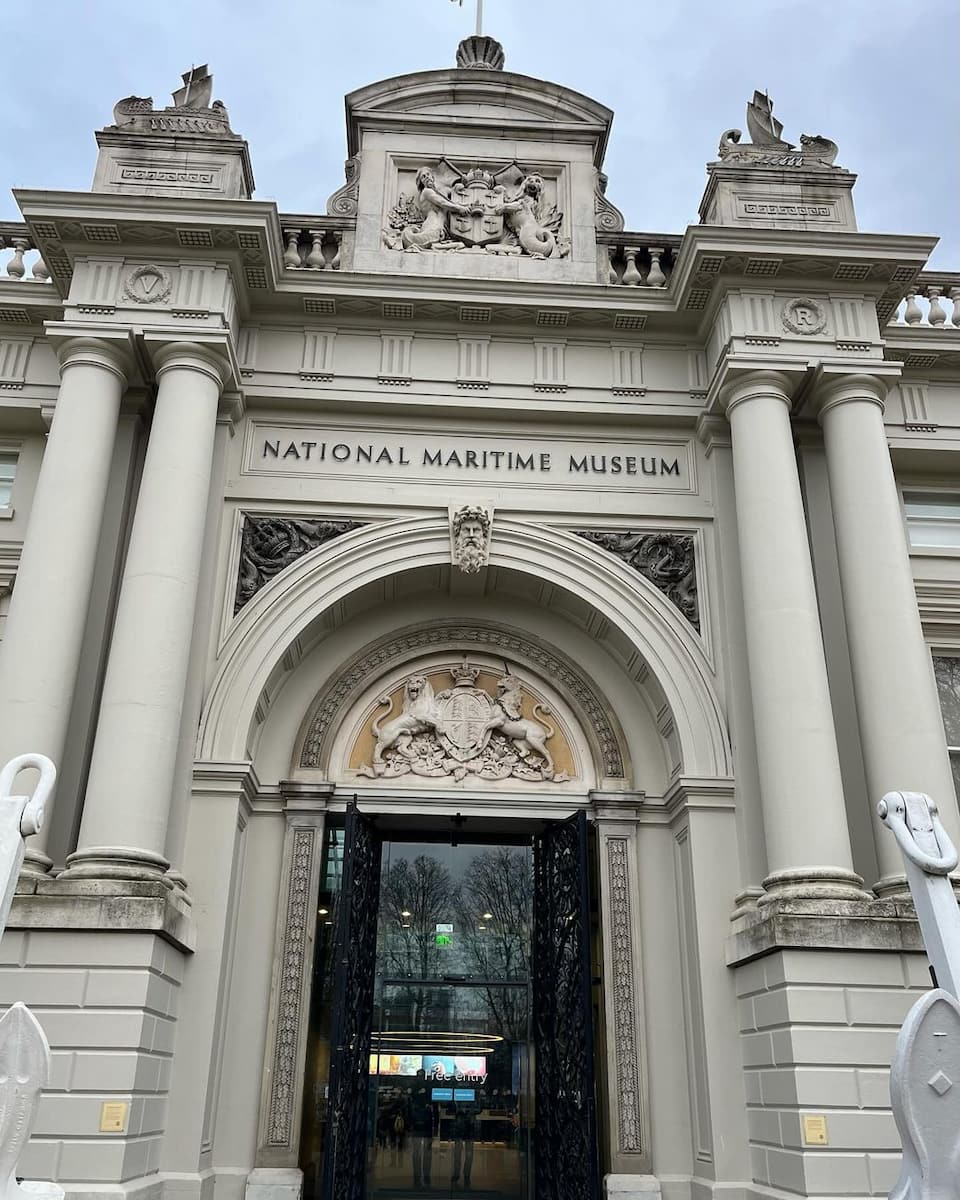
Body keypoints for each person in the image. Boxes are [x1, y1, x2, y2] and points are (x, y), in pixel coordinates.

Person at [408, 1069, 437, 1188]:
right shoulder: (425, 1088)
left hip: (423, 1125)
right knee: (421, 1152)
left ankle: (422, 1176)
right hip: (421, 1124)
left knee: (422, 1152)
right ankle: (422, 1177)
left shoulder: (419, 1088)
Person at [450, 1101, 476, 1189]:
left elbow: (477, 1109)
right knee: (460, 1155)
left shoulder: (468, 1099)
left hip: (466, 1128)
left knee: (466, 1155)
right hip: (462, 1128)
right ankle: (461, 1176)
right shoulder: (462, 1099)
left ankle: (465, 1176)